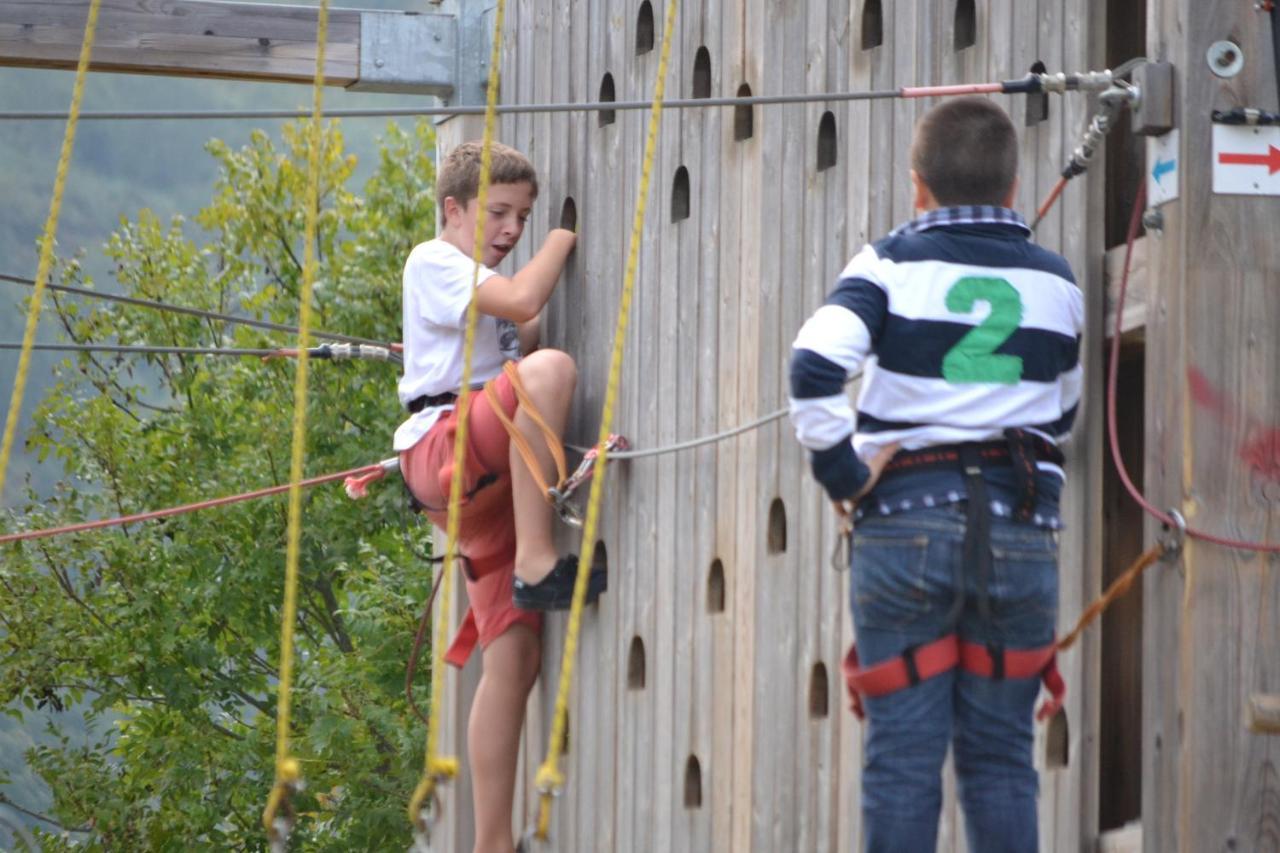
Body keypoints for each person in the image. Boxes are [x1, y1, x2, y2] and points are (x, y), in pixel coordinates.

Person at [788, 97, 1083, 852]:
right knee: (1002, 764)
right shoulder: (1058, 284)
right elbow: (1063, 418)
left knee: (904, 763)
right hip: (1019, 536)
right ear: (1015, 187)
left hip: (905, 530)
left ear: (918, 187)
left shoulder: (888, 263)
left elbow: (815, 365)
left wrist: (841, 472)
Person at [394, 140, 605, 853]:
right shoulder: (434, 260)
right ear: (453, 209)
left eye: (525, 216)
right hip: (445, 446)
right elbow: (524, 301)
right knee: (550, 374)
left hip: (483, 480)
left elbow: (517, 324)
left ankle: (491, 841)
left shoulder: (468, 280)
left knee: (512, 653)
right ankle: (540, 559)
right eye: (500, 212)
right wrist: (563, 237)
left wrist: (518, 322)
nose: (513, 229)